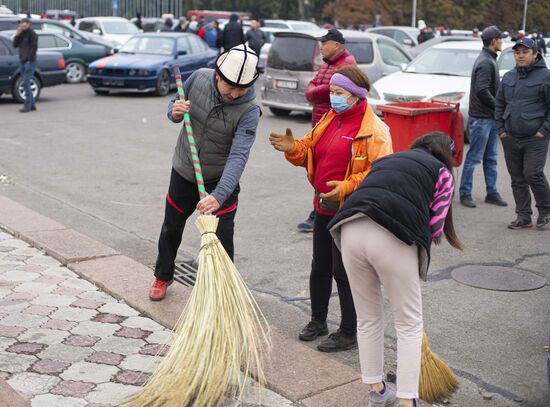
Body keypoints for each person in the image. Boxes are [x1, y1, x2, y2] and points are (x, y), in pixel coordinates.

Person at [328, 132, 463, 407]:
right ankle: (406, 401)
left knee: (367, 319)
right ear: (447, 156)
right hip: (390, 235)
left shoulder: (389, 160)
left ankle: (377, 393)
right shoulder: (442, 173)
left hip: (349, 230)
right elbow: (436, 226)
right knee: (410, 324)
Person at [269, 66, 393, 352]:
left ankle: (349, 332)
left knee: (344, 271)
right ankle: (318, 321)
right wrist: (293, 149)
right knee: (320, 266)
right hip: (323, 206)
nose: (333, 98)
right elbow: (310, 151)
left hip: (352, 212)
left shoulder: (374, 130)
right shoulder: (330, 118)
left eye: (339, 93)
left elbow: (381, 171)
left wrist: (347, 186)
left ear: (356, 95)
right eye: (332, 92)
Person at [149, 44, 261, 301]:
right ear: (217, 75)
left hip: (220, 180)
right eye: (229, 86)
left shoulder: (249, 111)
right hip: (184, 169)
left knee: (221, 238)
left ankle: (222, 289)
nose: (234, 94)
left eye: (241, 89)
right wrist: (174, 112)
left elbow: (239, 155)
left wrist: (220, 194)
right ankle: (163, 275)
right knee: (171, 227)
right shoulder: (198, 77)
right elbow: (175, 103)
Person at [297, 28, 357, 232]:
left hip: (335, 125)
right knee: (316, 166)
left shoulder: (346, 64)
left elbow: (319, 90)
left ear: (337, 45)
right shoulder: (327, 63)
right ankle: (321, 209)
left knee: (327, 169)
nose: (321, 46)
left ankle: (323, 212)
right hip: (320, 123)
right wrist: (315, 91)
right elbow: (312, 89)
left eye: (325, 43)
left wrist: (315, 91)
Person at [495, 37, 550, 230]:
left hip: (535, 137)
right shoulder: (509, 76)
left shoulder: (546, 76)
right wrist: (501, 129)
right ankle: (523, 216)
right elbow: (500, 103)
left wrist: (544, 130)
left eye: (525, 52)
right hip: (510, 136)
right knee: (517, 178)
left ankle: (545, 210)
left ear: (535, 54)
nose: (520, 56)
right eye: (517, 52)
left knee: (532, 174)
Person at [459, 26, 508, 208]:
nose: (502, 41)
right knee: (474, 157)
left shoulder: (489, 59)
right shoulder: (486, 62)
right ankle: (465, 192)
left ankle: (492, 192)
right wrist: (498, 106)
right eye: (500, 39)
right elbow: (481, 90)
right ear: (493, 41)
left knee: (491, 158)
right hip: (482, 118)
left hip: (488, 118)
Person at [12, 17, 37, 113]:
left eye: (24, 23)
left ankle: (27, 105)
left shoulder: (32, 34)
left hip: (29, 62)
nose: (22, 25)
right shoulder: (21, 34)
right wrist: (17, 35)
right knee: (26, 83)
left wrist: (29, 60)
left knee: (26, 83)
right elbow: (15, 45)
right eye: (21, 23)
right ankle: (32, 105)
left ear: (28, 24)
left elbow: (33, 48)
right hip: (22, 61)